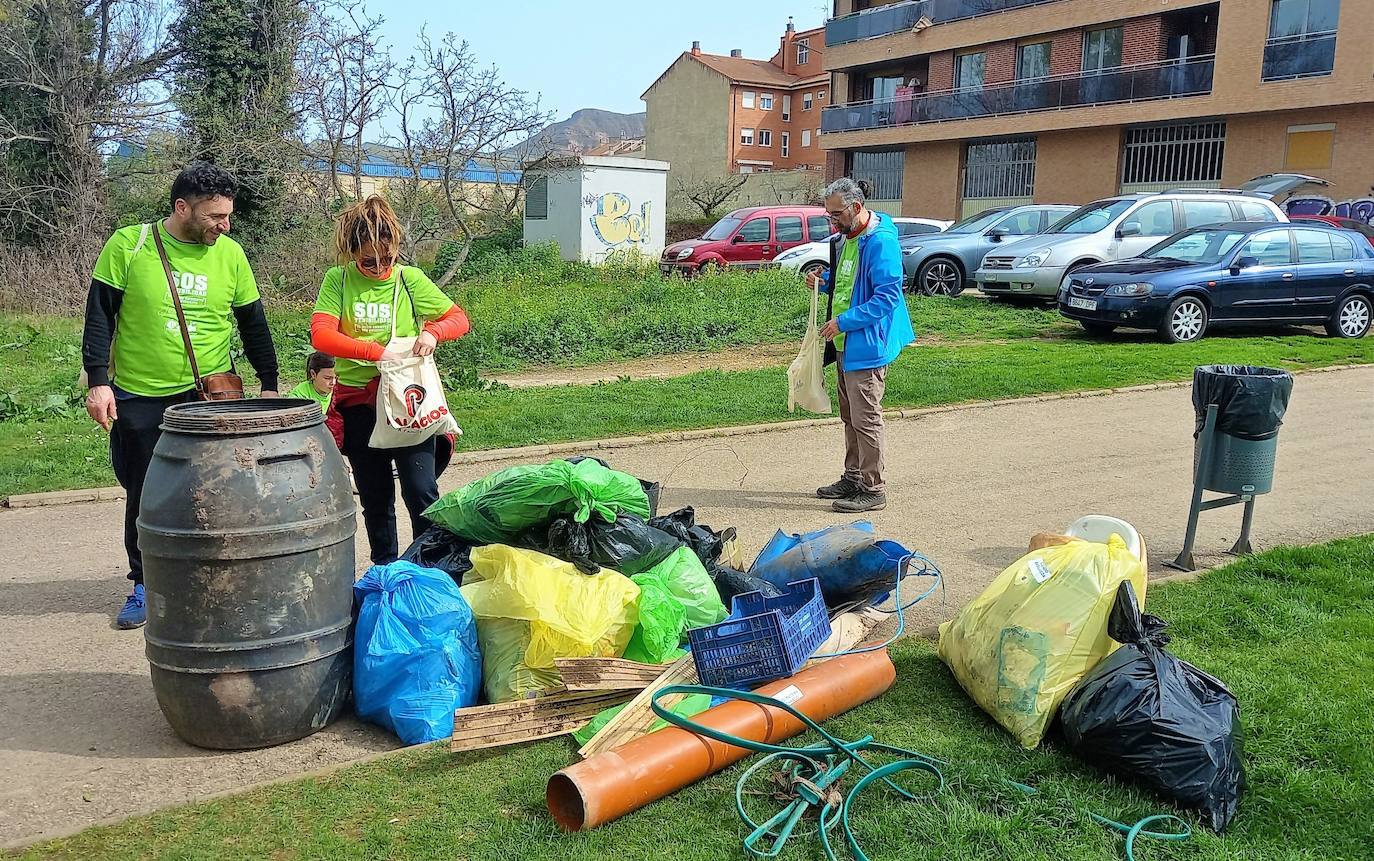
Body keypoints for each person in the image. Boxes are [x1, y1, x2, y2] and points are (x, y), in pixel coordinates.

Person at [81, 162, 280, 629]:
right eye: (214, 216)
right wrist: (97, 381)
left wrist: (268, 383)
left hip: (210, 395)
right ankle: (145, 583)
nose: (223, 225)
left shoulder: (230, 254)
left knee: (224, 489)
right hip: (140, 396)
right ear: (181, 207)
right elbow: (99, 316)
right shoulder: (129, 245)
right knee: (147, 494)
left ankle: (218, 579)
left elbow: (253, 323)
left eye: (227, 216)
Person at [310, 196, 470, 564]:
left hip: (407, 402)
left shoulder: (409, 279)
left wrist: (433, 333)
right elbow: (321, 335)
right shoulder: (338, 280)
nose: (379, 267)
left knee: (421, 492)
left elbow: (458, 319)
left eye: (388, 257)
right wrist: (376, 352)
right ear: (352, 253)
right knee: (375, 497)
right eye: (368, 260)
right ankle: (385, 570)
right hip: (360, 405)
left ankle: (427, 569)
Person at [807, 177, 913, 514]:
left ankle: (873, 488)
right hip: (844, 343)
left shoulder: (880, 242)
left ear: (855, 207)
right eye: (828, 215)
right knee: (850, 416)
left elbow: (886, 298)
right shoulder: (845, 239)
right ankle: (853, 477)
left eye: (836, 214)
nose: (832, 221)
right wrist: (823, 283)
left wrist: (843, 322)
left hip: (867, 345)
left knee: (866, 419)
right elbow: (848, 284)